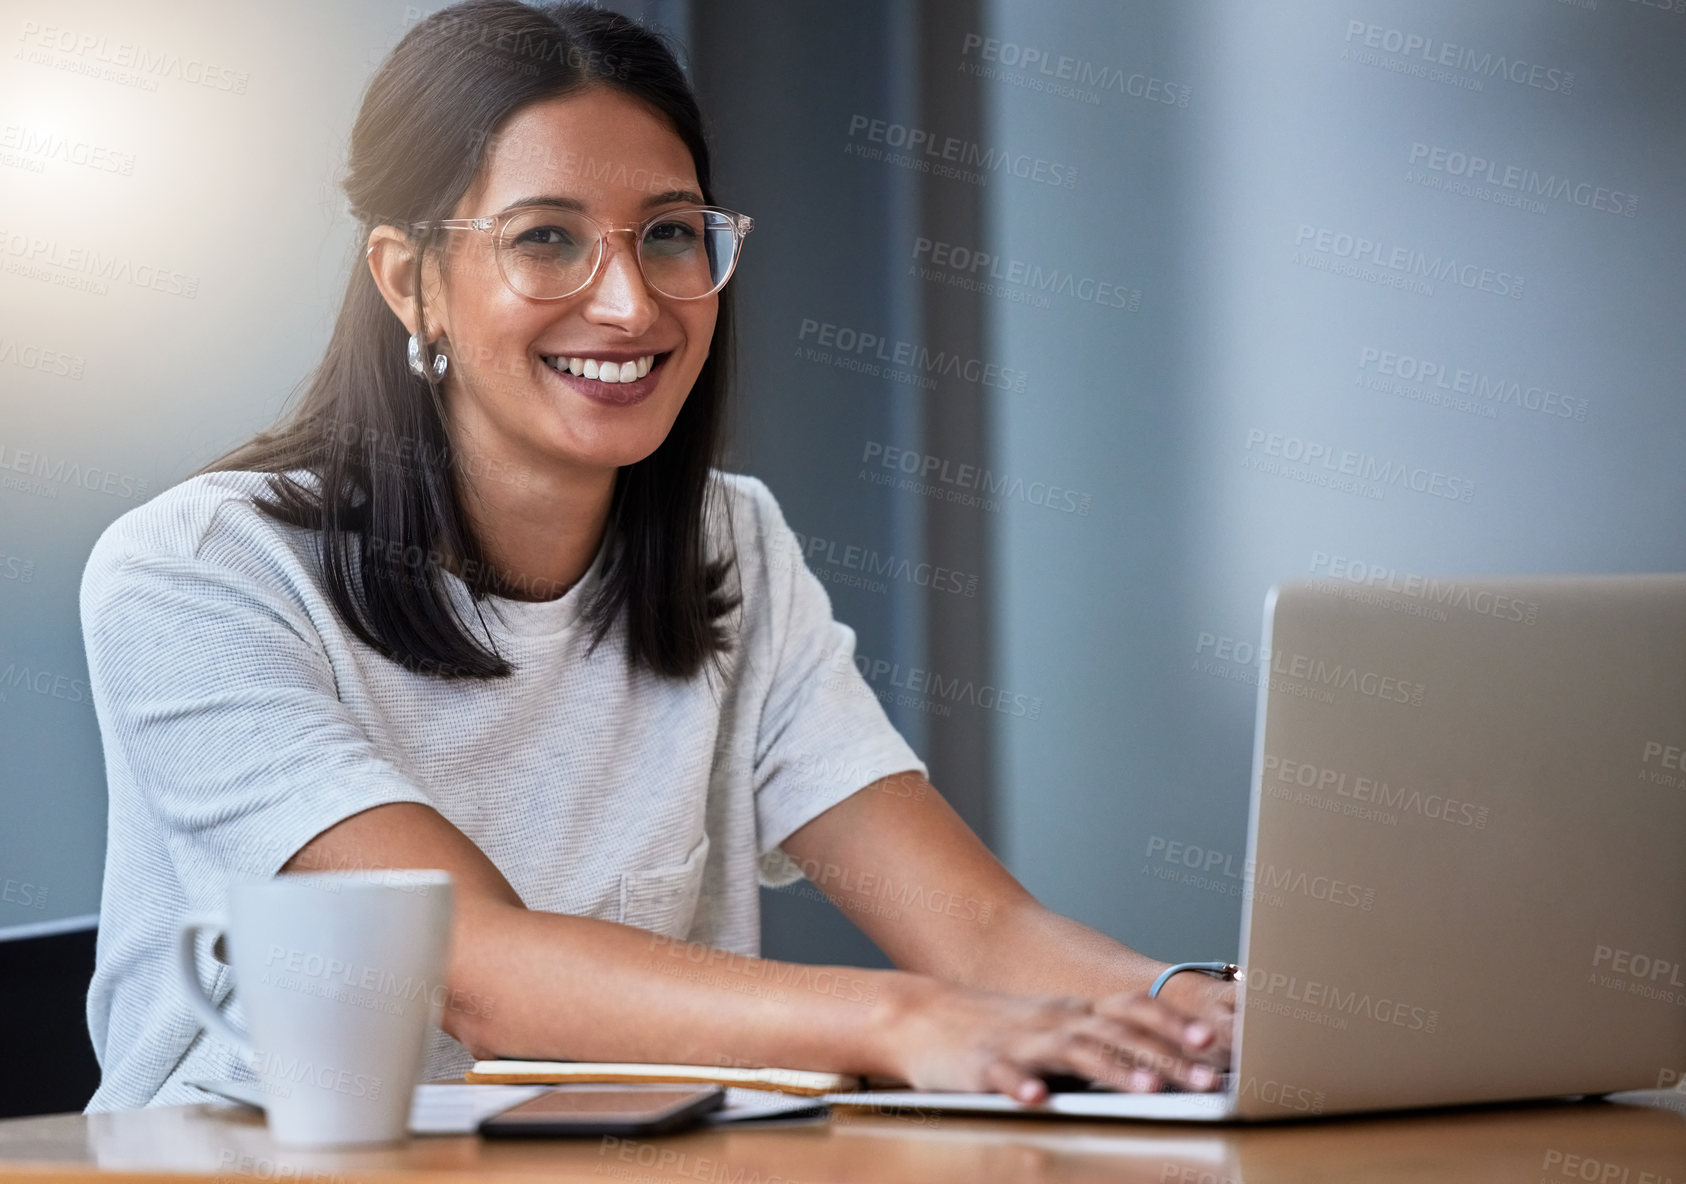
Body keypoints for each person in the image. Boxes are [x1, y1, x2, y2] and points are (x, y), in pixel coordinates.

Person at [79, 0, 1233, 1113]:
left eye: (671, 235)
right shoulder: (195, 574)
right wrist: (902, 1021)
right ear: (407, 276)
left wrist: (1200, 1016)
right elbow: (478, 969)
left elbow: (978, 933)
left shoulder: (732, 546)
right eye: (547, 239)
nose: (631, 304)